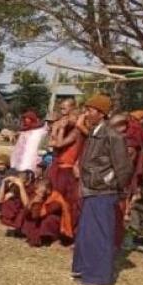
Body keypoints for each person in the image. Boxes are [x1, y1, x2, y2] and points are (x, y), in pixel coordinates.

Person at [73, 94, 133, 285]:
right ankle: (84, 269)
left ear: (101, 113)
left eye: (89, 110)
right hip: (91, 189)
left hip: (103, 192)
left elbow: (123, 167)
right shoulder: (95, 132)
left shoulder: (112, 135)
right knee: (87, 233)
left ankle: (98, 278)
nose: (86, 113)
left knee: (100, 234)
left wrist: (109, 182)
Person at [48, 98, 83, 230]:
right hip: (58, 162)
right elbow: (51, 143)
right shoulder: (61, 123)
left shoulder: (77, 128)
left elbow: (59, 143)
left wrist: (60, 129)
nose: (63, 112)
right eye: (61, 108)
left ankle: (66, 227)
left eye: (65, 108)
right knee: (54, 194)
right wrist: (56, 129)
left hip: (69, 165)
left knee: (67, 199)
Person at [22, 179, 72, 246]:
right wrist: (31, 203)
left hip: (55, 223)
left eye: (40, 190)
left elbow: (38, 215)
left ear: (48, 190)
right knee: (28, 218)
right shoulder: (37, 195)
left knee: (49, 219)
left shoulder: (56, 199)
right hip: (39, 218)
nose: (37, 192)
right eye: (37, 190)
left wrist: (38, 203)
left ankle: (52, 237)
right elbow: (27, 212)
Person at [0, 172, 33, 236]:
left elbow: (26, 204)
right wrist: (3, 183)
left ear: (27, 181)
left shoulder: (30, 188)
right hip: (13, 215)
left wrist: (21, 186)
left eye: (22, 179)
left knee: (23, 213)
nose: (17, 181)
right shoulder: (14, 187)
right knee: (8, 203)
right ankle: (13, 227)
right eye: (18, 179)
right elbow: (0, 200)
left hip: (23, 213)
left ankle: (17, 229)